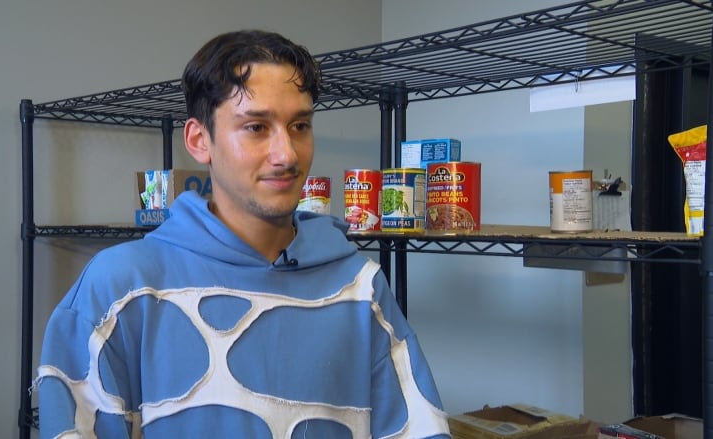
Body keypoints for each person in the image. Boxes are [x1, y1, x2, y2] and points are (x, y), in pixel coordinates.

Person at [36, 29, 451, 439]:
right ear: (200, 140)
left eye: (300, 125)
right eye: (256, 127)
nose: (286, 154)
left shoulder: (360, 289)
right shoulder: (120, 288)